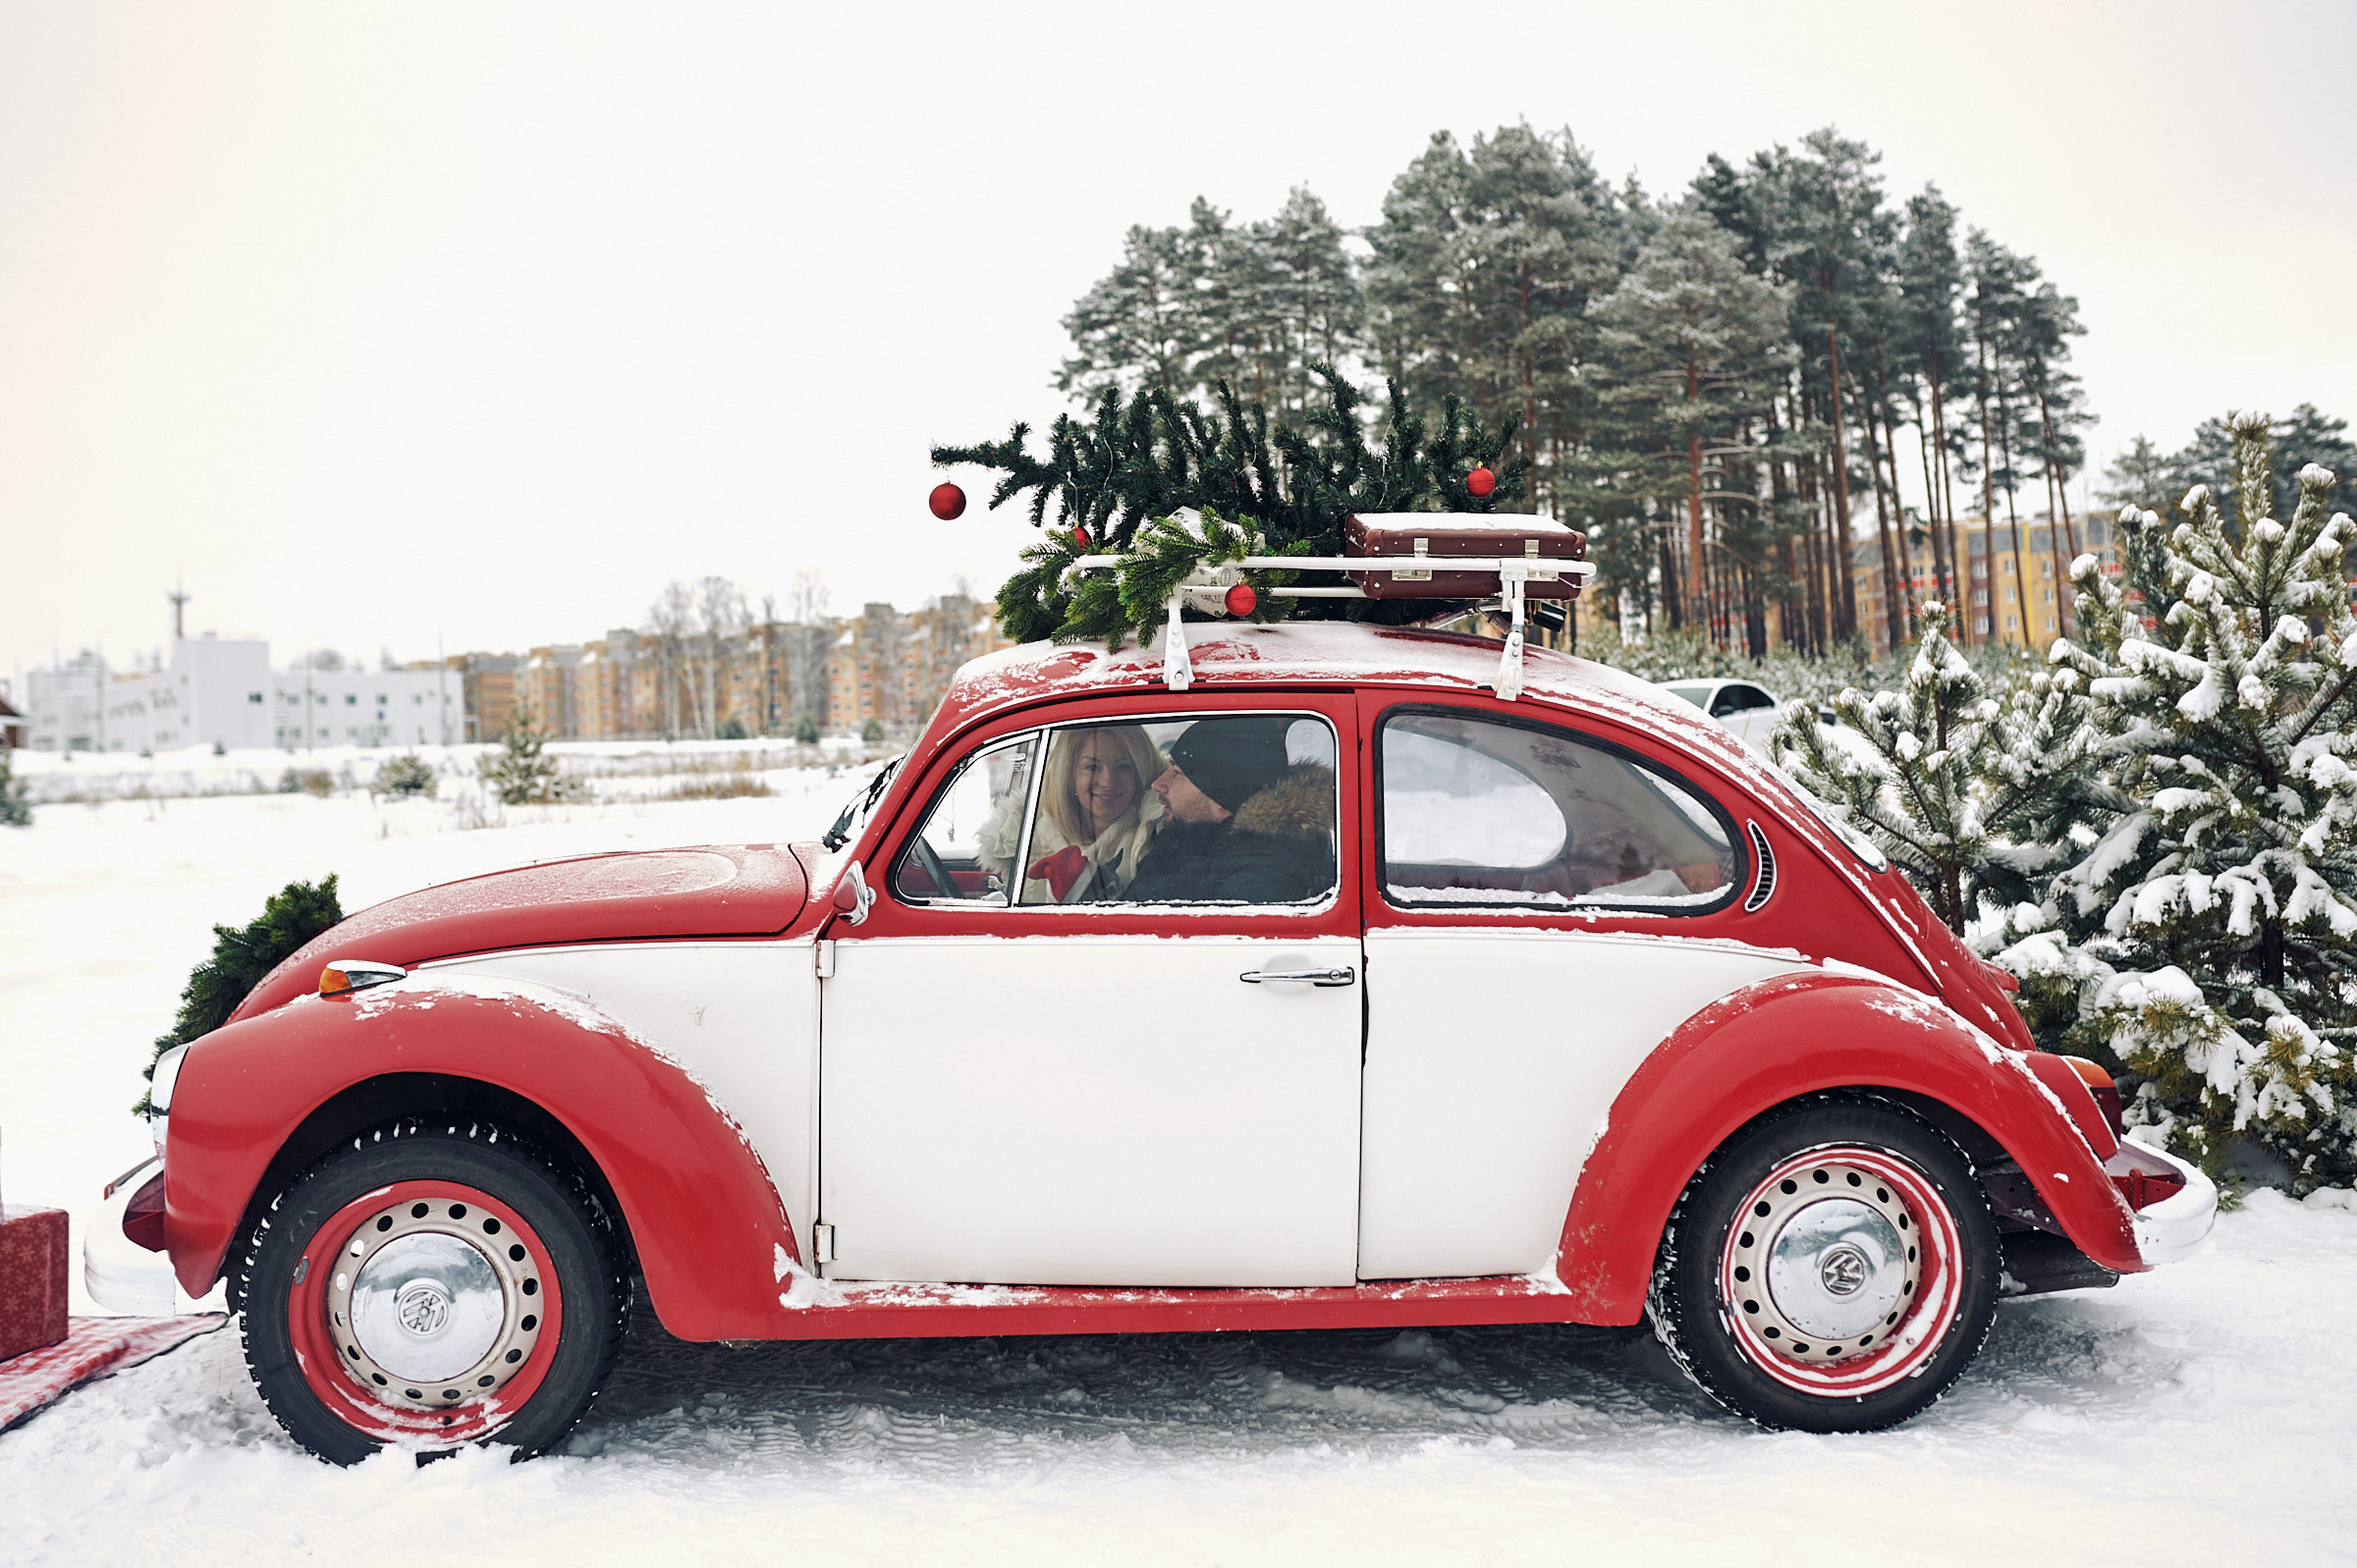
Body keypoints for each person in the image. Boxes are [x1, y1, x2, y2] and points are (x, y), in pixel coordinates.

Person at [1118, 717, 1336, 903]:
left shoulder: (1262, 869)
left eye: (1177, 773)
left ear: (1221, 795)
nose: (1158, 784)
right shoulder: (1192, 835)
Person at [980, 725, 1165, 903]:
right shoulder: (1022, 842)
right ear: (1069, 774)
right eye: (1092, 767)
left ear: (1140, 771)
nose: (1108, 781)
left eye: (1123, 766)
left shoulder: (1158, 839)